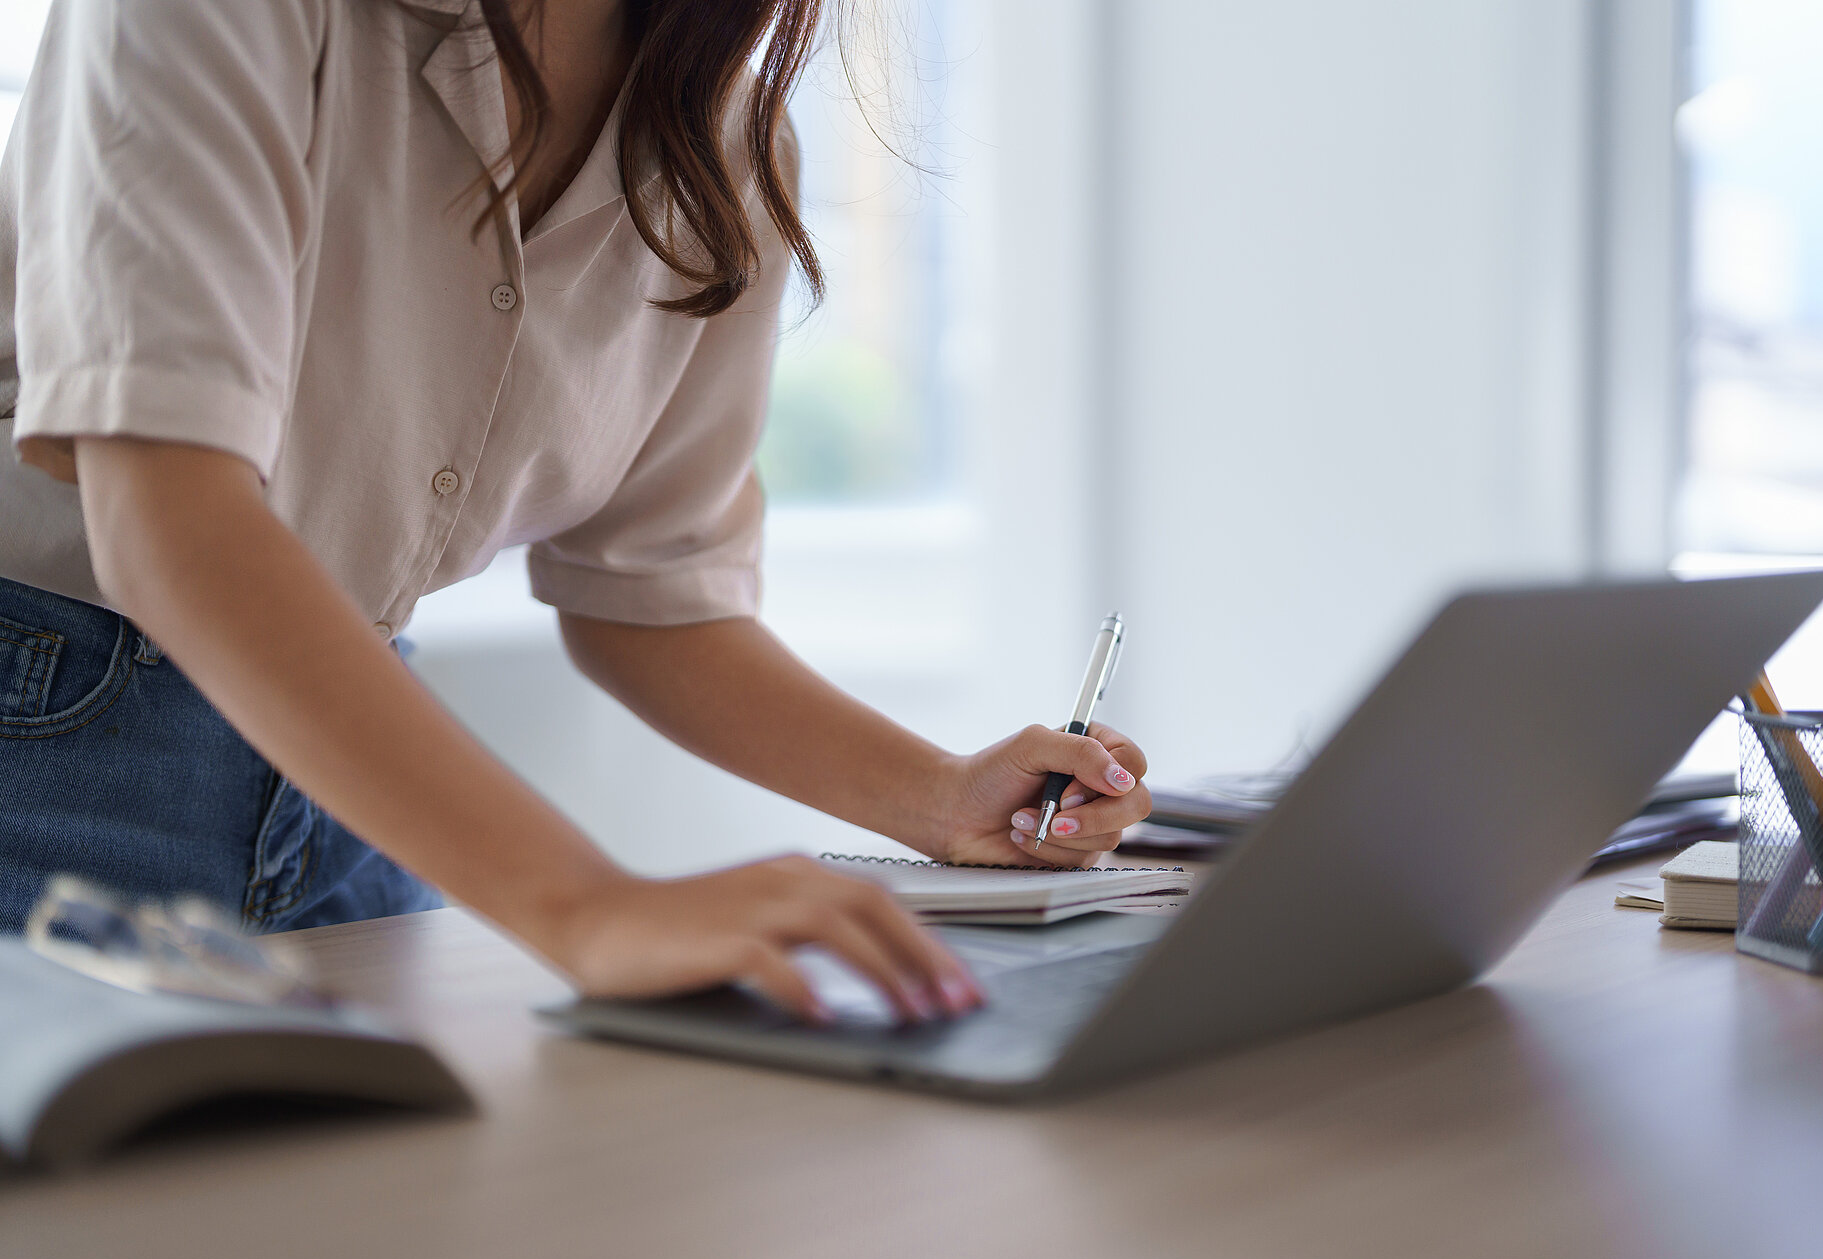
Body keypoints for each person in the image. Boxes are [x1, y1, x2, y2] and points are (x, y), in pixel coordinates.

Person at [0, 0, 1152, 1024]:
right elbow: (169, 520)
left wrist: (942, 798)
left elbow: (654, 600)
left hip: (340, 779)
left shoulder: (722, 148)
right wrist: (591, 909)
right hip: (43, 743)